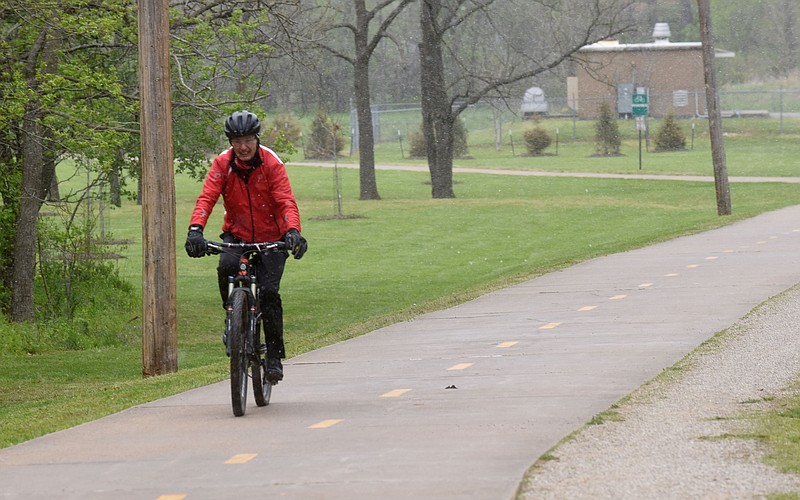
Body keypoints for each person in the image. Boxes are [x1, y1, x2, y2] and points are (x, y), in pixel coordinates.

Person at [184, 110, 307, 382]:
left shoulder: (271, 163)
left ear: (256, 138)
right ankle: (233, 320)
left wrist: (292, 231)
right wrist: (196, 230)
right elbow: (207, 198)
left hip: (271, 239)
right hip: (237, 236)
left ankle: (274, 356)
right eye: (236, 140)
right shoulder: (222, 164)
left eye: (248, 140)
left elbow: (286, 200)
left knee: (268, 293)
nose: (242, 146)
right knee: (225, 266)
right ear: (230, 141)